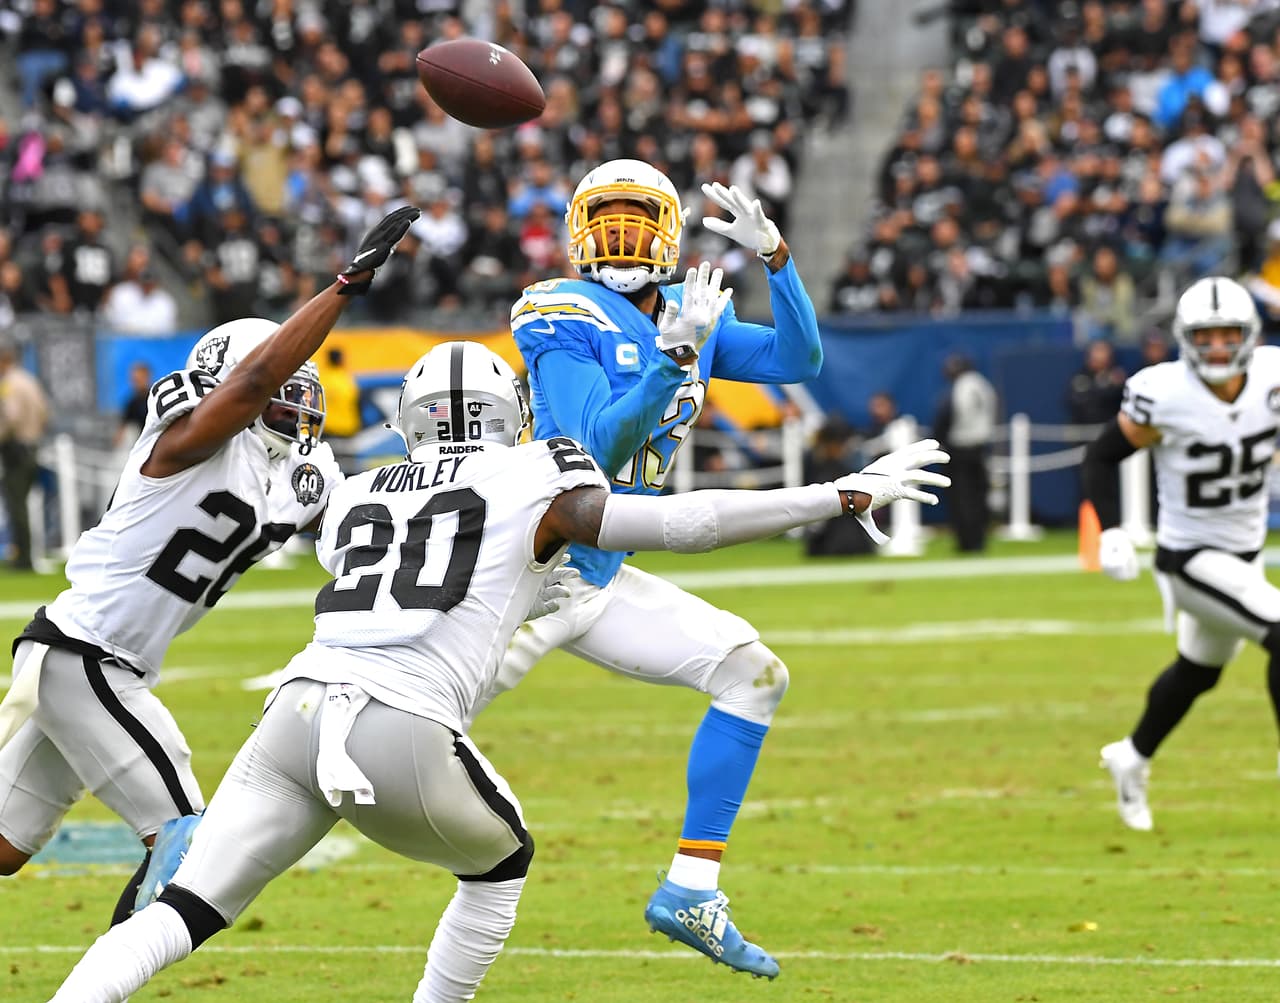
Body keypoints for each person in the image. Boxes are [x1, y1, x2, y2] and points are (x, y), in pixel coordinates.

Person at [43, 341, 949, 1003]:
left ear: (411, 418)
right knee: (502, 862)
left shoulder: (361, 489)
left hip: (295, 710)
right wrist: (839, 493)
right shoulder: (534, 469)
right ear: (510, 411)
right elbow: (686, 522)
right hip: (402, 721)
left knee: (185, 908)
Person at [0, 206, 419, 929]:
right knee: (189, 844)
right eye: (287, 375)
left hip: (104, 666)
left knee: (4, 846)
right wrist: (345, 285)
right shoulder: (189, 434)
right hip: (84, 655)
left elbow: (362, 530)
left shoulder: (295, 468)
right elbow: (254, 382)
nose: (297, 391)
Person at [497, 160, 823, 977]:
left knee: (753, 673)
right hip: (528, 570)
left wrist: (777, 258)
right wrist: (668, 367)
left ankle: (691, 888)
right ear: (577, 234)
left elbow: (799, 358)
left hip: (597, 572)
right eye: (606, 221)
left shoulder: (691, 312)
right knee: (393, 717)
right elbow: (589, 453)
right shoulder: (562, 312)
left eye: (638, 222)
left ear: (671, 236)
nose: (621, 239)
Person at [1084, 277, 1280, 832]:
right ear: (1184, 339)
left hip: (1245, 554)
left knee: (1199, 672)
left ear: (1249, 337)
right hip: (1190, 556)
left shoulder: (1272, 377)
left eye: (1228, 335)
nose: (1218, 347)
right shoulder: (1163, 392)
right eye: (1206, 336)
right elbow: (1102, 456)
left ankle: (1131, 755)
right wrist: (1113, 529)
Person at [932, 354, 997, 552]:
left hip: (960, 448)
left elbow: (948, 413)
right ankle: (979, 540)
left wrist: (939, 439)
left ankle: (966, 541)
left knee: (961, 498)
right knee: (979, 496)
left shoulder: (962, 386)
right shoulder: (984, 385)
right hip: (980, 447)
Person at [0, 340, 50, 571]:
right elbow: (44, 413)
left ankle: (23, 557)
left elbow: (11, 417)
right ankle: (24, 554)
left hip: (16, 449)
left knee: (16, 504)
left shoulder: (9, 384)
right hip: (32, 446)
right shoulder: (29, 380)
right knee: (21, 503)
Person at [115, 361, 153, 449]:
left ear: (147, 377)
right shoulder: (132, 403)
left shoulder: (156, 397)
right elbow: (123, 425)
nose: (137, 383)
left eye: (140, 379)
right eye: (135, 380)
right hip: (145, 443)